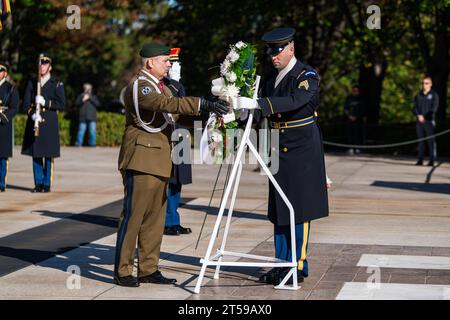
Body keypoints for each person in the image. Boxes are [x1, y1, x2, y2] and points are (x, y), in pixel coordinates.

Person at [114, 43, 228, 287]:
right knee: (134, 217)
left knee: (155, 220)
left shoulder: (160, 87)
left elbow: (176, 115)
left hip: (159, 160)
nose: (169, 64)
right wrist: (201, 104)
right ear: (149, 63)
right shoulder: (140, 87)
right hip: (141, 160)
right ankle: (123, 270)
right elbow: (167, 106)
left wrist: (208, 108)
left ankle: (148, 268)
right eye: (165, 60)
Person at [232, 28, 329, 285]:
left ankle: (297, 265)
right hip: (277, 147)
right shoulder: (270, 79)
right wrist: (243, 111)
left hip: (301, 150)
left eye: (278, 50)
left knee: (299, 209)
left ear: (291, 49)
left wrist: (261, 105)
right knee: (279, 210)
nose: (273, 56)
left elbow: (296, 100)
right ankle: (280, 262)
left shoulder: (305, 76)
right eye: (270, 51)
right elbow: (259, 103)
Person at [21, 54, 65, 193]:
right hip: (36, 121)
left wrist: (46, 102)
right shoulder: (32, 82)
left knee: (48, 154)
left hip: (49, 122)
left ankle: (46, 184)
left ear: (50, 67)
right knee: (37, 153)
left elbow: (62, 104)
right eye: (40, 64)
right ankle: (38, 183)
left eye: (45, 64)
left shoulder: (56, 83)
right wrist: (32, 114)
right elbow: (25, 103)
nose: (42, 66)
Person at [163, 47, 193, 236]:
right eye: (172, 63)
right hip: (169, 137)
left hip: (180, 135)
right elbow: (171, 106)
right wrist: (173, 82)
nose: (175, 66)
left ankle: (173, 218)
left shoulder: (177, 84)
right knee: (168, 180)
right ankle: (166, 221)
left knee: (177, 181)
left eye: (176, 63)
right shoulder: (164, 84)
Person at [0, 62, 19, 192]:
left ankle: (1, 182)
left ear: (5, 73)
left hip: (3, 124)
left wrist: (3, 117)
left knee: (2, 156)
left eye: (0, 71)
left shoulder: (11, 88)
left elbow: (14, 107)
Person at [412, 76, 439, 166]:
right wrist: (418, 115)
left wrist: (425, 116)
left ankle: (432, 160)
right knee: (421, 141)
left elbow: (434, 109)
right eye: (423, 83)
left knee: (431, 141)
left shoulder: (434, 95)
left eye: (426, 83)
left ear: (430, 84)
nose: (424, 85)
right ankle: (420, 160)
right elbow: (414, 107)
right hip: (419, 121)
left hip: (429, 121)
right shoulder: (418, 95)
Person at [344, 85, 365, 154]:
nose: (355, 92)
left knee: (358, 134)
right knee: (350, 134)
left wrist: (357, 117)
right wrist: (349, 116)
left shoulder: (361, 99)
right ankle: (350, 148)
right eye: (354, 90)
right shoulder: (349, 98)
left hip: (358, 120)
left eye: (356, 91)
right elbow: (345, 109)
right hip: (349, 120)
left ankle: (358, 148)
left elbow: (363, 110)